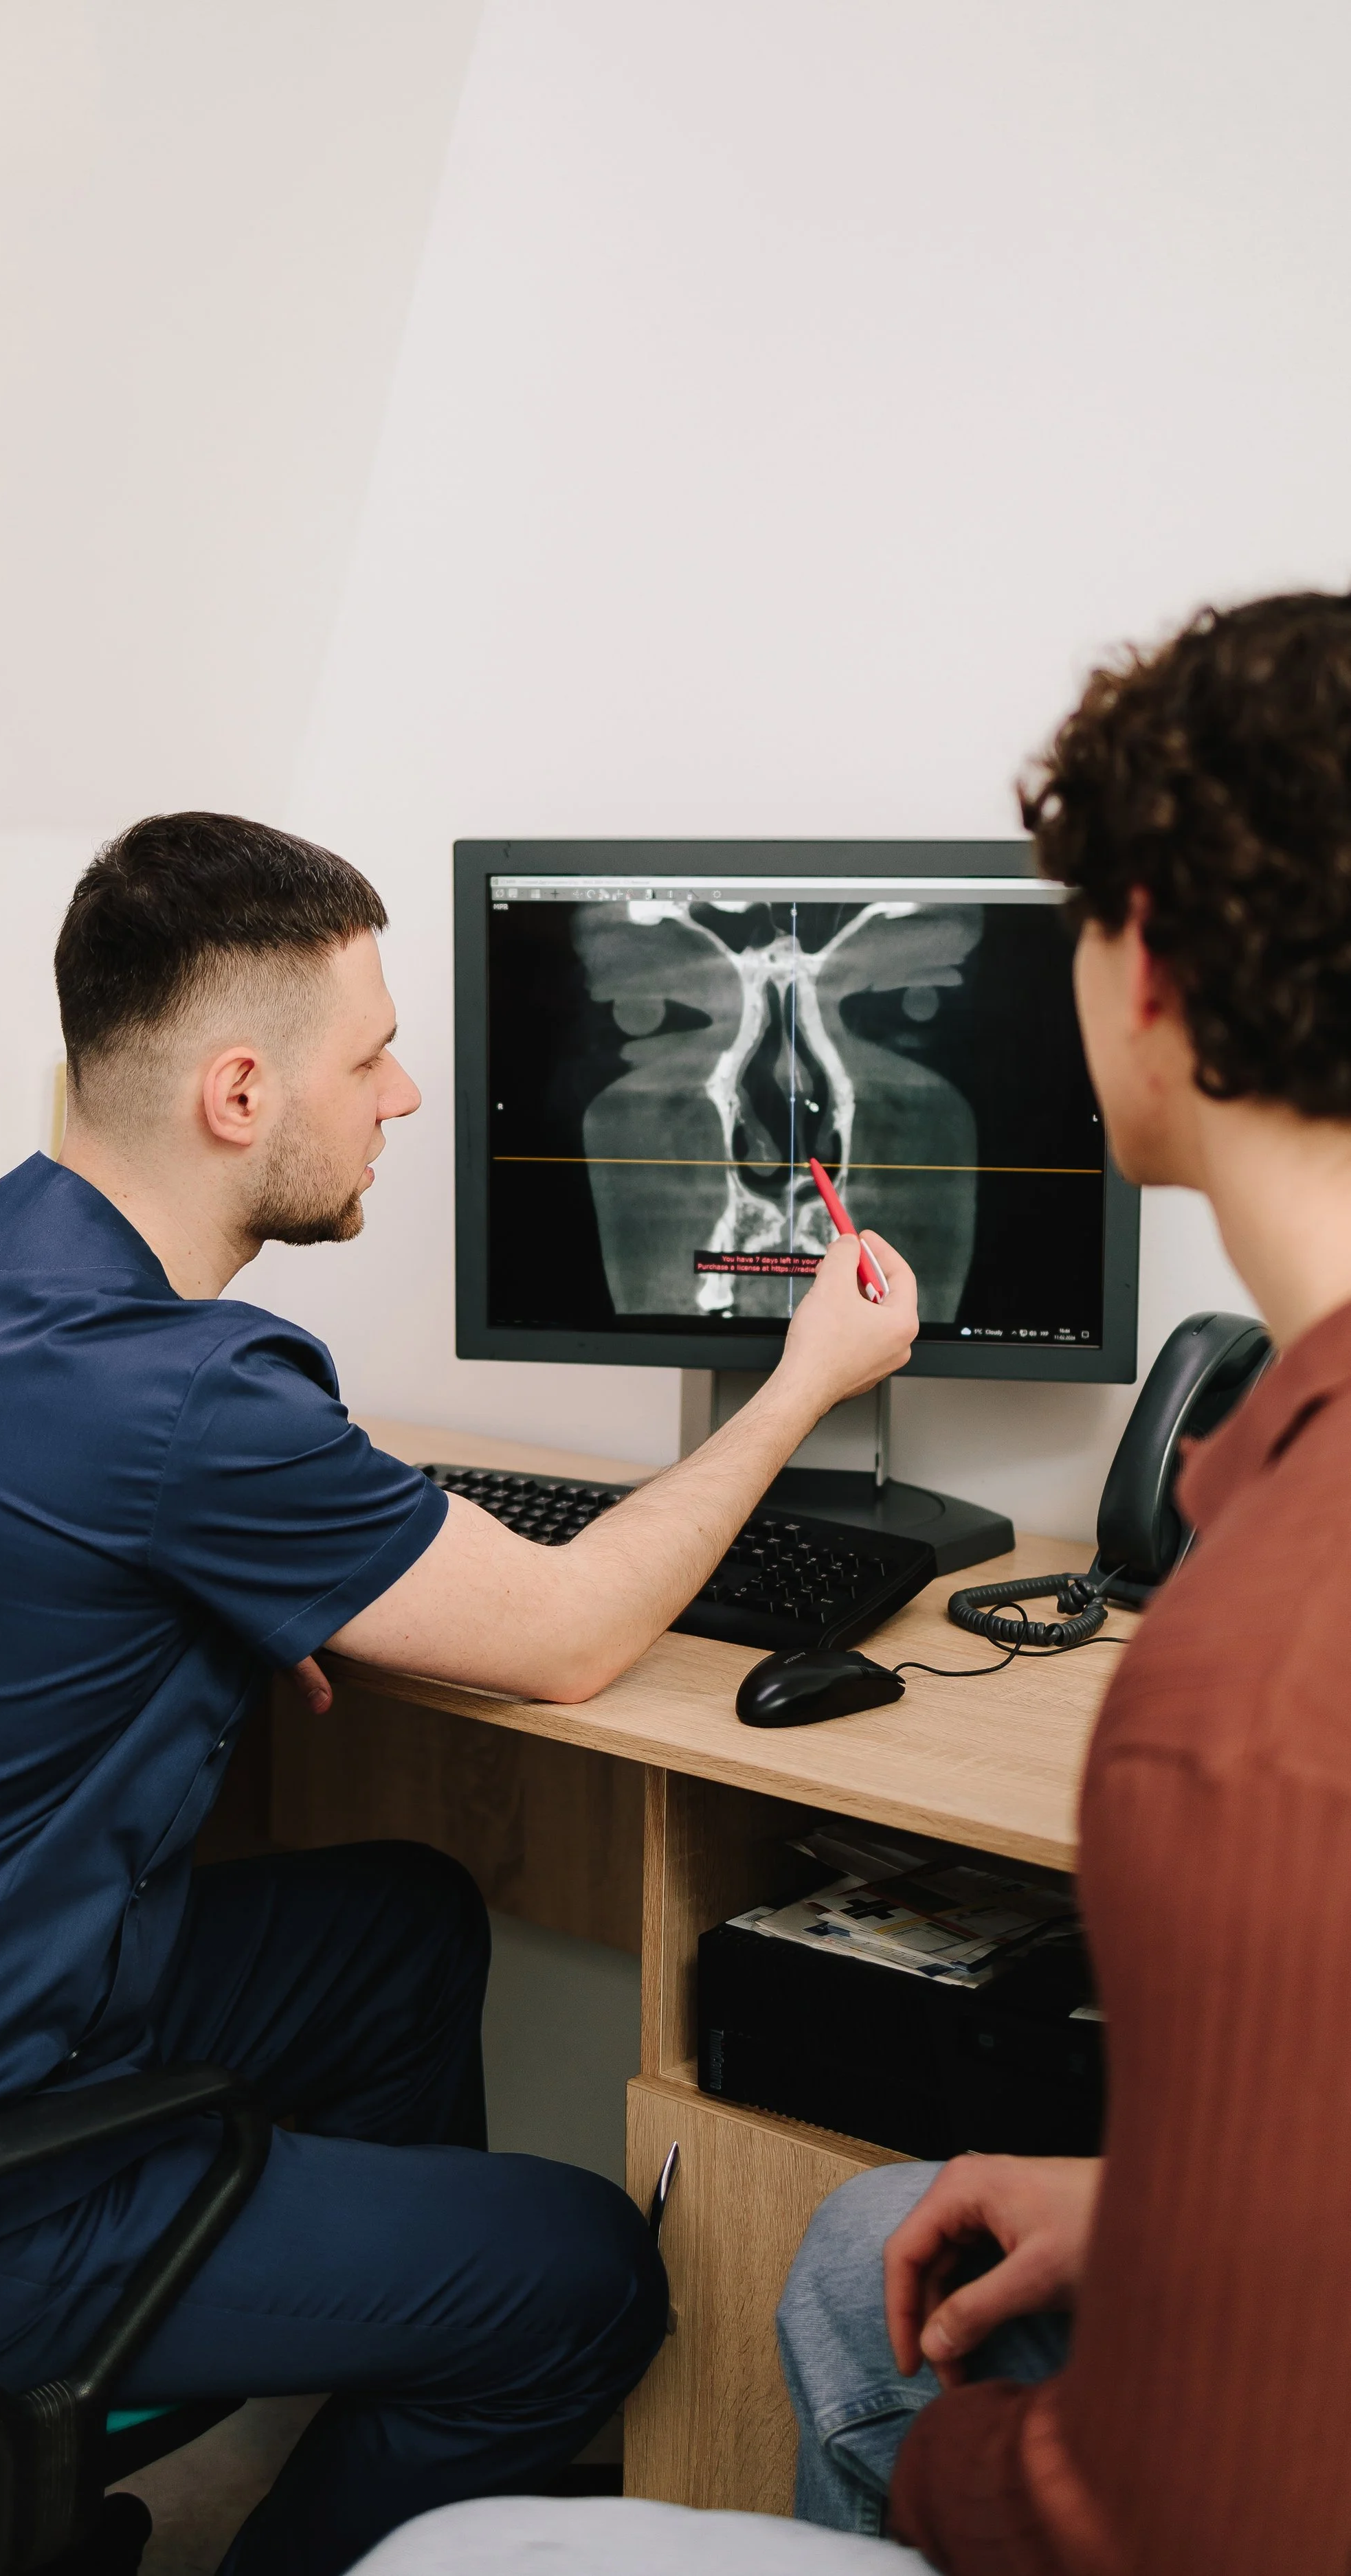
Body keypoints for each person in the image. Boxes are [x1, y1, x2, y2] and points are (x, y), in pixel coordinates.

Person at [0, 812, 915, 2576]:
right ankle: (381, 2476)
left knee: (399, 1923)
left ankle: (381, 2389)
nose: (404, 1096)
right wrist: (802, 1381)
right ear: (239, 1095)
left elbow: (87, 1539)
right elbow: (567, 1634)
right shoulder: (188, 1407)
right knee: (581, 2278)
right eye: (374, 1054)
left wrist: (245, 1603)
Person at [773, 587, 1351, 2573]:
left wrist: (945, 2471)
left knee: (851, 2328)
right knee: (876, 2231)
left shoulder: (1255, 1681)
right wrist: (1159, 2201)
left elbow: (1189, 2516)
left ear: (1151, 967)